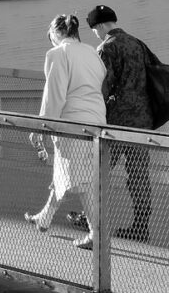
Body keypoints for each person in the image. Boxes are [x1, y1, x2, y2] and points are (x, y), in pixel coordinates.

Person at [68, 5, 153, 243]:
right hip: (141, 120)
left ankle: (89, 218)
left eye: (94, 29)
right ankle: (141, 226)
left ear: (101, 25)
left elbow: (102, 87)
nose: (95, 34)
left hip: (116, 121)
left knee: (98, 169)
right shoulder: (137, 44)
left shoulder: (107, 47)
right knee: (139, 174)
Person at [24, 14, 107, 250]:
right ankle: (45, 217)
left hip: (72, 123)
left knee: (81, 180)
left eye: (49, 35)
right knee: (68, 172)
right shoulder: (91, 52)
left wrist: (42, 125)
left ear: (56, 33)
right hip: (97, 121)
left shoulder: (57, 54)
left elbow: (54, 95)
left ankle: (96, 234)